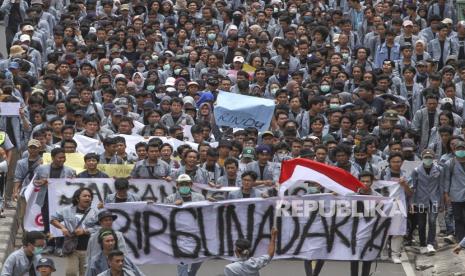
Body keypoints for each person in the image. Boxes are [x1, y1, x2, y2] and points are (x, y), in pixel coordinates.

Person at [50, 187, 99, 276]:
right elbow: (53, 219)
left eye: (89, 196)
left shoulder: (95, 212)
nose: (88, 198)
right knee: (71, 273)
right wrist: (62, 228)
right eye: (85, 196)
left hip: (88, 249)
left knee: (85, 274)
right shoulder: (67, 210)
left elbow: (100, 227)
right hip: (72, 248)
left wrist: (85, 231)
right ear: (77, 198)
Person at [165, 174, 205, 276]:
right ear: (177, 185)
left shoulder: (200, 198)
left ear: (191, 184)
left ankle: (191, 274)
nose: (184, 186)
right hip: (179, 235)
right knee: (182, 262)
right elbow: (164, 214)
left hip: (196, 233)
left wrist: (212, 203)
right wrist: (173, 206)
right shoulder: (170, 199)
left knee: (200, 258)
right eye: (181, 184)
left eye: (186, 184)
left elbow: (205, 214)